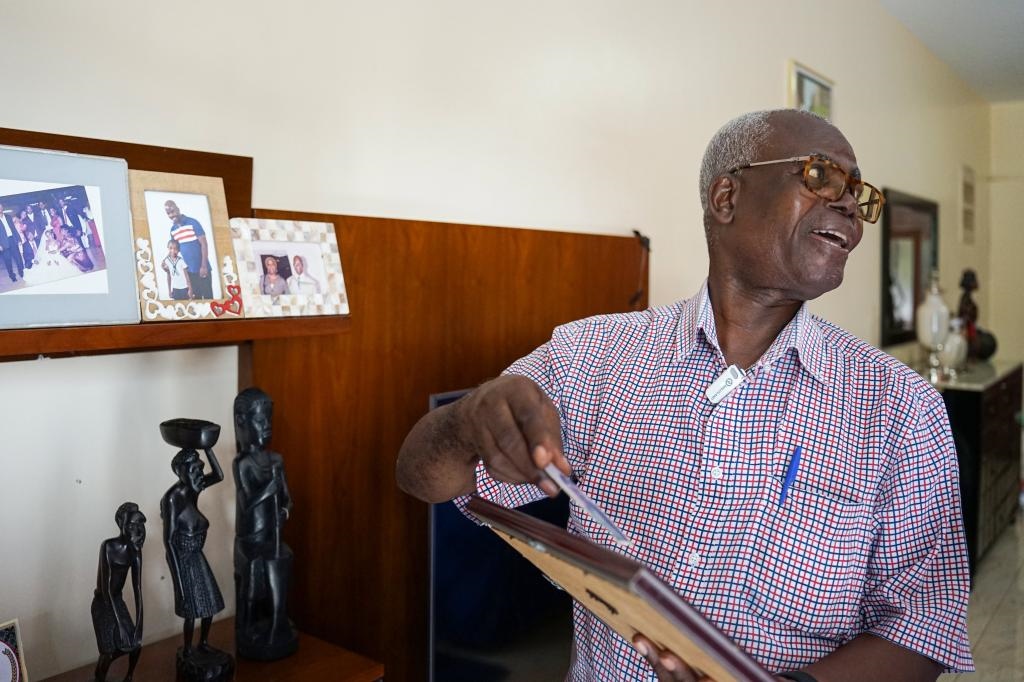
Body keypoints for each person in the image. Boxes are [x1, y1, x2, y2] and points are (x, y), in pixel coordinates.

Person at [396, 109, 973, 681]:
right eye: (822, 176)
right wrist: (466, 420)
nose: (849, 205)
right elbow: (420, 476)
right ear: (726, 197)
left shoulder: (901, 406)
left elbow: (924, 628)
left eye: (859, 194)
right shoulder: (590, 356)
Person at [232, 387, 298, 659]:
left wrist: (284, 509)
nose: (267, 426)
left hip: (272, 537)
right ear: (242, 422)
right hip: (250, 539)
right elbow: (247, 503)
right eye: (260, 421)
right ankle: (247, 626)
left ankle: (276, 620)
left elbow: (287, 498)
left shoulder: (276, 460)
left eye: (268, 420)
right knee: (251, 576)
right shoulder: (242, 463)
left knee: (281, 561)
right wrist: (268, 490)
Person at [160, 445, 226, 656]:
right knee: (190, 608)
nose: (199, 473)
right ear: (180, 471)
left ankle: (203, 642)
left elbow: (218, 475)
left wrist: (208, 448)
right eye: (194, 469)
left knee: (210, 602)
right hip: (183, 557)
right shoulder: (173, 498)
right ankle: (188, 649)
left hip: (198, 555)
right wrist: (178, 582)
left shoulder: (193, 488)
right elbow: (168, 541)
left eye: (200, 468)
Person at [91, 502, 146, 682]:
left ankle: (128, 677)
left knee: (135, 645)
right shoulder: (108, 547)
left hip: (117, 601)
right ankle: (99, 677)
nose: (139, 531)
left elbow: (138, 589)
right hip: (103, 603)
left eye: (140, 525)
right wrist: (120, 625)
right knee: (109, 652)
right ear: (122, 525)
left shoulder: (135, 551)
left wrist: (139, 625)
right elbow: (106, 589)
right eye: (132, 526)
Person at [165, 200, 214, 300]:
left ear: (178, 209)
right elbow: (174, 251)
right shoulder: (173, 230)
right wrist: (166, 262)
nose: (171, 215)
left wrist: (204, 266)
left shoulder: (193, 222)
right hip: (189, 272)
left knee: (208, 298)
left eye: (173, 211)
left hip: (202, 268)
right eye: (168, 213)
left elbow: (204, 244)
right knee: (196, 299)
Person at [0, 203, 25, 283]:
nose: (0, 209)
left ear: (2, 208)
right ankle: (12, 276)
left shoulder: (8, 217)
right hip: (3, 243)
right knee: (8, 261)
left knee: (18, 257)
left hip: (12, 240)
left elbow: (13, 229)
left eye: (1, 207)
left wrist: (18, 239)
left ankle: (21, 273)